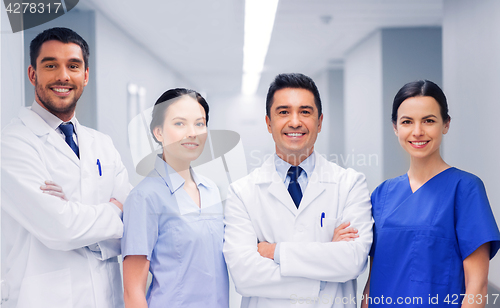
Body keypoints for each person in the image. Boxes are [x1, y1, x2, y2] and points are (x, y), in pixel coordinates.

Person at [1, 27, 130, 307]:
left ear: (85, 75)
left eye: (73, 66)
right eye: (51, 65)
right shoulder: (12, 144)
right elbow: (60, 228)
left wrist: (78, 219)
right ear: (32, 74)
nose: (63, 76)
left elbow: (133, 228)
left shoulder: (103, 144)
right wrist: (112, 211)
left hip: (106, 298)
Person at [223, 73, 373, 308]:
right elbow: (245, 276)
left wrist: (275, 252)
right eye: (283, 112)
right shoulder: (242, 192)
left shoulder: (350, 184)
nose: (295, 122)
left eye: (305, 112)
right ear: (268, 123)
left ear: (320, 122)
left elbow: (352, 261)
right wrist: (324, 267)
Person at [362, 80, 500, 308]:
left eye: (429, 121)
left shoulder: (465, 189)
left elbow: (477, 285)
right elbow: (372, 280)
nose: (417, 132)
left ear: (445, 124)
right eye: (407, 122)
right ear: (395, 127)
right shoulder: (382, 194)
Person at [121, 88, 229, 308]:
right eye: (180, 123)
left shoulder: (211, 190)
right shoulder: (144, 197)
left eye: (200, 124)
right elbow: (133, 292)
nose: (192, 132)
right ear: (158, 132)